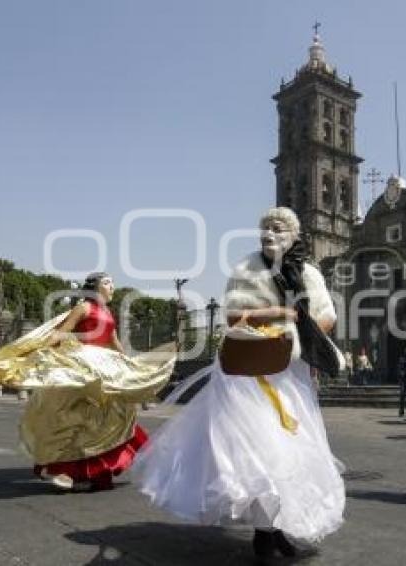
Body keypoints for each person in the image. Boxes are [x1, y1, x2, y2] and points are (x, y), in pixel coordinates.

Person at [134, 207, 345, 559]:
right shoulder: (247, 268)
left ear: (293, 235)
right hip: (250, 370)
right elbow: (233, 315)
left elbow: (326, 317)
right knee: (259, 450)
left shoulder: (309, 272)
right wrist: (282, 315)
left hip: (291, 373)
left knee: (291, 450)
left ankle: (275, 528)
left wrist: (302, 340)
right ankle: (264, 532)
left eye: (278, 228)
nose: (270, 233)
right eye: (265, 227)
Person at [0, 272, 174, 491]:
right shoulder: (83, 308)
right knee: (76, 417)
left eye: (112, 283)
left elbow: (114, 341)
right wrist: (37, 349)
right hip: (83, 364)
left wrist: (130, 363)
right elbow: (63, 330)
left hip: (106, 366)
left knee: (113, 413)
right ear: (95, 286)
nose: (112, 287)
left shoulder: (107, 311)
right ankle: (66, 471)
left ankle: (93, 470)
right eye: (108, 283)